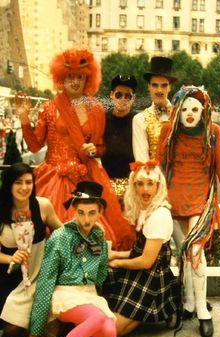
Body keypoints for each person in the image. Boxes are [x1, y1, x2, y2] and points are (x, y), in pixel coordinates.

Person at [15, 48, 135, 250]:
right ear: (62, 77)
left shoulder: (95, 108)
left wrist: (93, 150)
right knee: (48, 232)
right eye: (70, 76)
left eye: (80, 77)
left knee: (92, 231)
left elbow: (101, 147)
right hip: (53, 178)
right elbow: (35, 145)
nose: (75, 81)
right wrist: (24, 119)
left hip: (85, 177)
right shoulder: (51, 108)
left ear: (88, 78)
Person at [157, 85, 220, 337]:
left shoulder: (212, 133)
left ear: (203, 112)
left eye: (195, 109)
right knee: (183, 255)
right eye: (185, 109)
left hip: (200, 200)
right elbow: (159, 166)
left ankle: (202, 309)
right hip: (173, 200)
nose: (190, 114)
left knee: (195, 252)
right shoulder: (168, 132)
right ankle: (189, 302)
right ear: (177, 110)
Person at [27, 181, 117, 337]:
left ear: (100, 211)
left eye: (92, 213)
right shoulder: (60, 237)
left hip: (88, 294)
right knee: (96, 318)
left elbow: (102, 273)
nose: (86, 220)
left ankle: (75, 330)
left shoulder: (99, 237)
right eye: (81, 213)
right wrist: (36, 327)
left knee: (109, 334)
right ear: (74, 210)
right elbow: (47, 280)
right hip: (65, 293)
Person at [102, 161, 180, 337]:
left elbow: (146, 261)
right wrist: (114, 254)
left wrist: (119, 262)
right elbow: (139, 250)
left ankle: (157, 306)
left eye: (150, 184)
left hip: (151, 276)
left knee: (112, 331)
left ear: (158, 186)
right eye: (140, 184)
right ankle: (145, 308)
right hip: (139, 269)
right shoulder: (144, 209)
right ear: (134, 186)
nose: (145, 190)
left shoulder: (159, 215)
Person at [0, 162, 62, 337]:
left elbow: (62, 231)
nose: (24, 187)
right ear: (9, 184)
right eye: (18, 182)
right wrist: (10, 258)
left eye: (28, 182)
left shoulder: (43, 206)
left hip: (41, 272)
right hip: (10, 275)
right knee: (10, 330)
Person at [132, 56, 177, 162]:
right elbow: (142, 160)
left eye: (164, 85)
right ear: (149, 87)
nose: (159, 90)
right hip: (152, 177)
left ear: (170, 87)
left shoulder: (180, 116)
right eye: (155, 85)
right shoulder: (140, 119)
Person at [101, 75, 137, 199]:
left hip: (132, 187)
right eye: (118, 95)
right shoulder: (101, 119)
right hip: (105, 185)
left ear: (134, 99)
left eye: (128, 96)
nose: (123, 99)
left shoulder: (139, 121)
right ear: (111, 95)